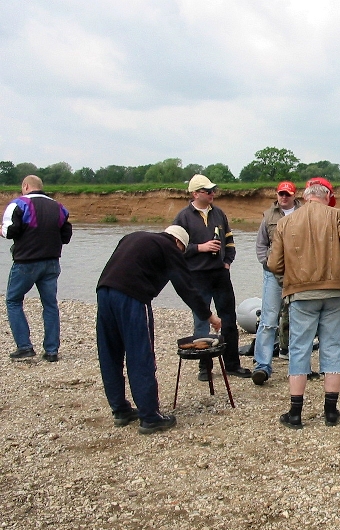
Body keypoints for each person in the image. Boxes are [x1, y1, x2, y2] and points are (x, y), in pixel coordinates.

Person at [96, 226, 221, 434]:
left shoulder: (134, 237)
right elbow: (186, 287)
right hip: (133, 297)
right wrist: (209, 316)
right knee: (140, 355)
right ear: (179, 243)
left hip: (104, 292)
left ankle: (120, 410)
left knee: (110, 354)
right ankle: (150, 417)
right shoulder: (170, 247)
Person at [268, 178, 340, 429]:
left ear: (305, 197)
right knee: (333, 346)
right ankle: (331, 412)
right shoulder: (338, 215)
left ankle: (295, 414)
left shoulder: (285, 222)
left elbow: (273, 264)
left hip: (301, 293)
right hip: (334, 292)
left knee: (299, 348)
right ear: (327, 197)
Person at [173, 174, 250, 380]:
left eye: (213, 190)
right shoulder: (183, 217)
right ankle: (204, 367)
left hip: (220, 274)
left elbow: (229, 241)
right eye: (207, 191)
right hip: (197, 275)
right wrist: (200, 247)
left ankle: (232, 364)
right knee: (201, 320)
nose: (212, 194)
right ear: (195, 194)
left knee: (229, 320)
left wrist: (228, 261)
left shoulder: (219, 214)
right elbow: (175, 248)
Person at [1, 175, 72, 361]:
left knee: (13, 301)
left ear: (26, 186)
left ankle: (24, 347)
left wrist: (1, 230)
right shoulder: (59, 207)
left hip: (26, 262)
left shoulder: (19, 204)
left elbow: (9, 231)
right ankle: (51, 351)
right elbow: (66, 236)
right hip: (51, 262)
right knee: (50, 304)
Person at [252, 181, 302, 385]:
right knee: (268, 320)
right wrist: (267, 263)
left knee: (299, 320)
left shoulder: (304, 213)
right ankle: (262, 365)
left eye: (287, 194)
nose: (284, 197)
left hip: (298, 274)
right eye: (281, 194)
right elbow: (261, 244)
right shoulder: (268, 216)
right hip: (272, 274)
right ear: (277, 195)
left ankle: (298, 366)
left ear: (294, 195)